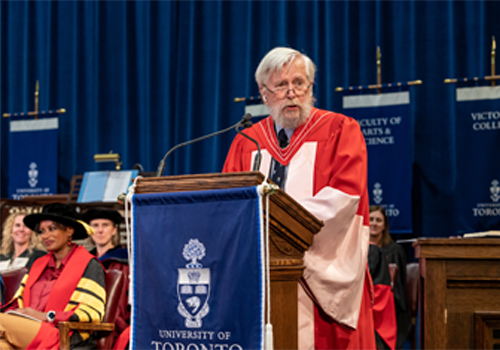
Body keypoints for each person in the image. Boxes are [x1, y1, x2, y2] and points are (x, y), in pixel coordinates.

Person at [223, 47, 375, 349]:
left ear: (311, 88)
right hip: (261, 278)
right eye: (281, 85)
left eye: (299, 83)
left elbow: (344, 198)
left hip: (321, 275)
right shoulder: (246, 140)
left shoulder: (340, 130)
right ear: (264, 94)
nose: (292, 93)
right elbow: (228, 204)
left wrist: (277, 224)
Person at [0, 203, 106, 350]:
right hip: (28, 331)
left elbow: (91, 314)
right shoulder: (39, 264)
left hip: (62, 335)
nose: (46, 236)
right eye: (42, 231)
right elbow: (19, 302)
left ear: (69, 230)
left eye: (52, 229)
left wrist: (47, 316)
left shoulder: (88, 264)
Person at [82, 208, 130, 349]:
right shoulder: (83, 259)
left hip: (111, 320)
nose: (100, 230)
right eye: (95, 225)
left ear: (114, 230)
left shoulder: (123, 260)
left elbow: (121, 303)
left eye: (105, 225)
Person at [370, 205, 411, 349]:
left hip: (391, 306)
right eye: (371, 219)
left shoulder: (395, 250)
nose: (374, 223)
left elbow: (399, 286)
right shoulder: (359, 248)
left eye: (378, 220)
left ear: (384, 226)